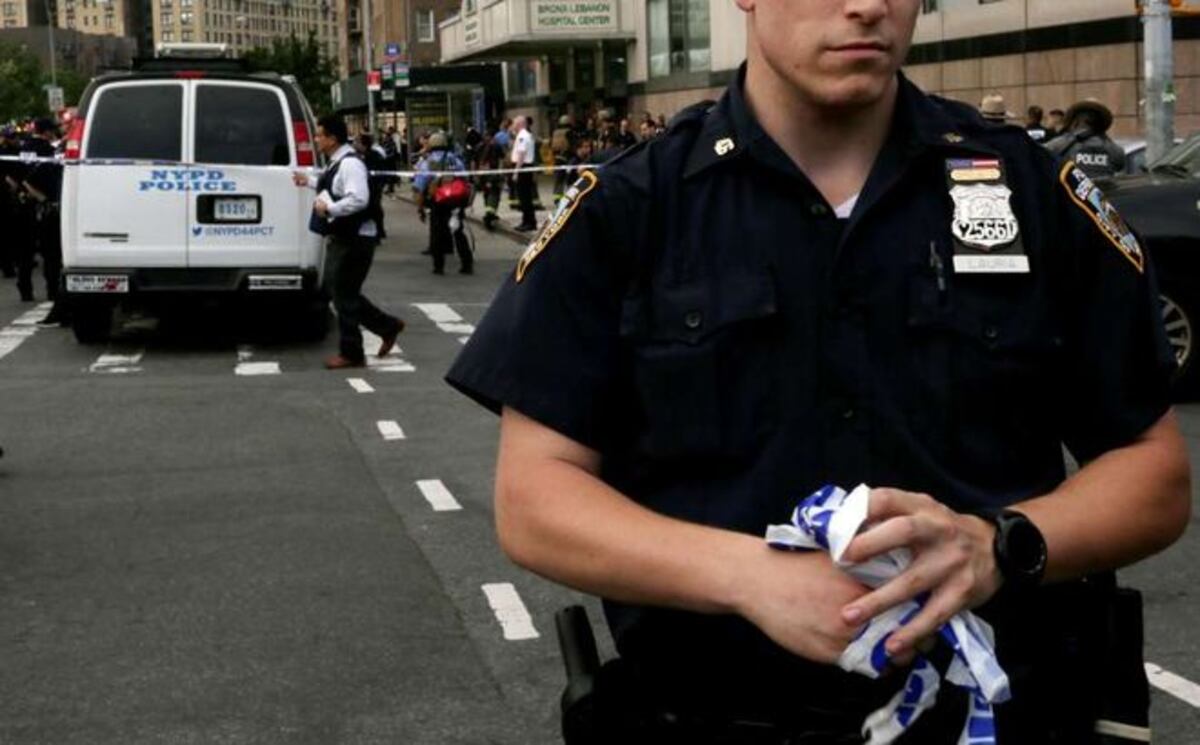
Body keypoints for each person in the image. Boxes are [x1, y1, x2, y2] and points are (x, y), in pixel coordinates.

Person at [446, 1, 1190, 743]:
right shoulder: (634, 206)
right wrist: (746, 576)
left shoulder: (1030, 193)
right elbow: (535, 497)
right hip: (709, 716)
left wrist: (999, 545)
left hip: (990, 718)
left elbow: (1152, 471)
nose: (866, 6)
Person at [293, 115, 404, 370]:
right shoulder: (337, 163)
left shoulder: (350, 164)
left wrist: (330, 209)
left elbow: (358, 198)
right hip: (345, 236)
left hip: (355, 239)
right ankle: (386, 326)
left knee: (342, 294)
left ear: (332, 139)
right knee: (342, 291)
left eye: (320, 135)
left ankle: (353, 352)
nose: (316, 139)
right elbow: (335, 188)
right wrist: (308, 182)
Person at [412, 131, 474, 276]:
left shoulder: (427, 163)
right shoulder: (455, 160)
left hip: (438, 202)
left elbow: (419, 188)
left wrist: (420, 208)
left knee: (437, 233)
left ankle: (438, 266)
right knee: (458, 232)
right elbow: (466, 180)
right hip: (455, 201)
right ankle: (467, 264)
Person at [1045, 99, 1126, 180]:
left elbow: (1040, 157)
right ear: (1101, 123)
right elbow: (1120, 165)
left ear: (1074, 121)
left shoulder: (1060, 144)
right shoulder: (1114, 149)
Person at [510, 115, 538, 231]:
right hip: (526, 167)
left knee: (524, 197)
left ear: (520, 124)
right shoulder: (526, 135)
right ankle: (528, 220)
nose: (513, 126)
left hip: (523, 167)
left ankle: (528, 222)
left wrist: (516, 171)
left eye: (514, 123)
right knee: (526, 196)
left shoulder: (522, 136)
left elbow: (521, 154)